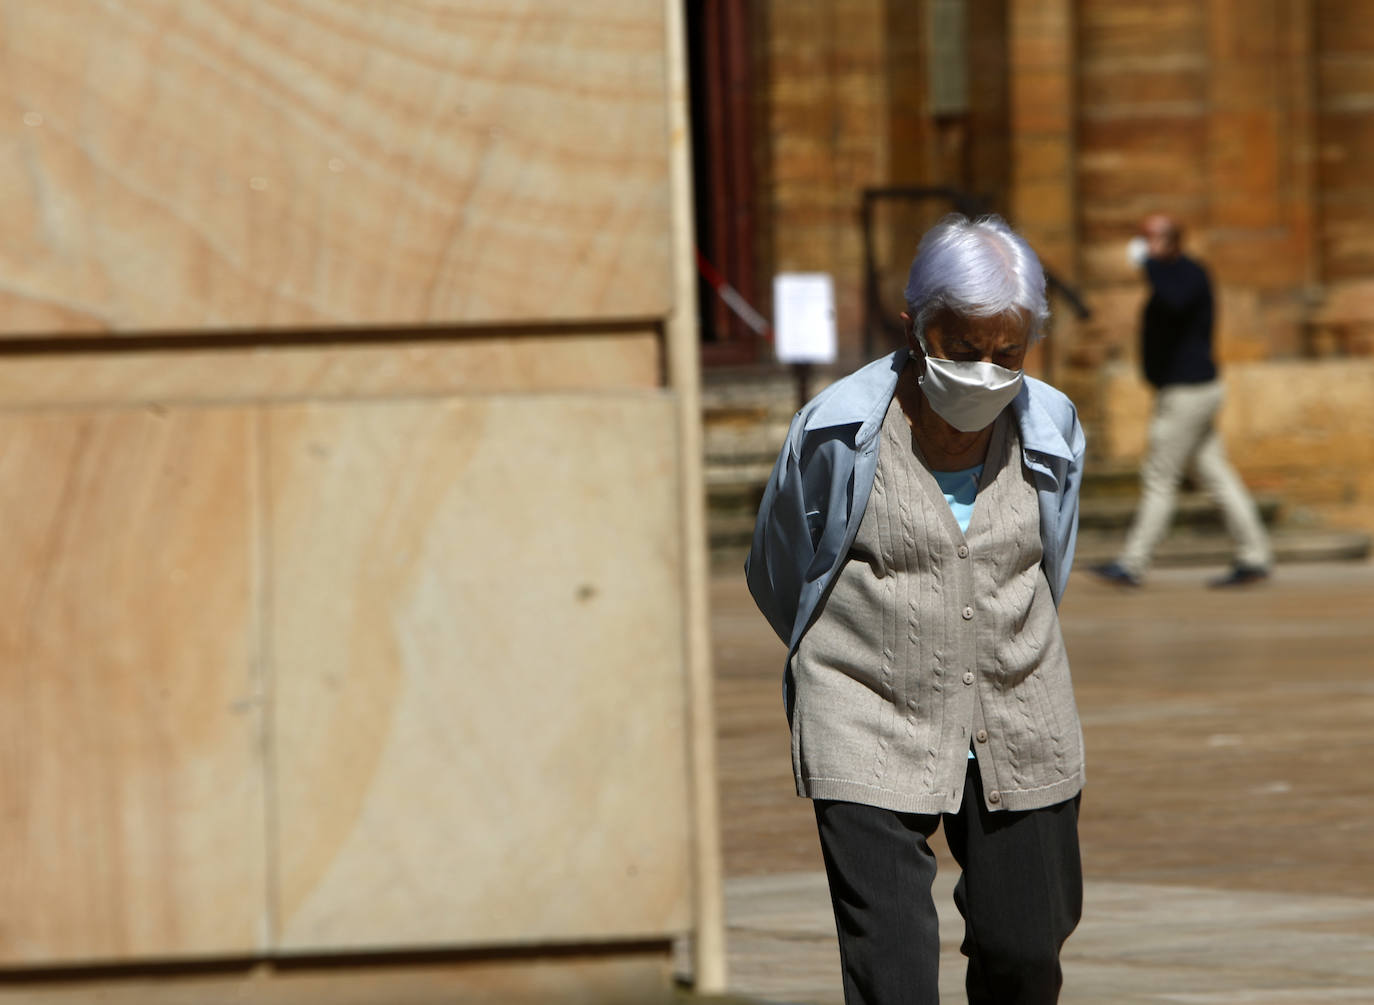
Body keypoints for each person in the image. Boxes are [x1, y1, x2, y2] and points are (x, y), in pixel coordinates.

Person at [747, 214, 1086, 1005]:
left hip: (1019, 708)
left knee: (1026, 950)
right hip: (865, 706)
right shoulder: (836, 431)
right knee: (892, 969)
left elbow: (1051, 561)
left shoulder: (1053, 428)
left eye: (1010, 353)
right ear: (916, 325)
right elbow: (778, 565)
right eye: (965, 349)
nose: (988, 370)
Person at [1093, 214, 1273, 588]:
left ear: (1171, 242)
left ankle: (1132, 563)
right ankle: (1255, 555)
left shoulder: (1187, 274)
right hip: (1189, 392)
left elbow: (1175, 303)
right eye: (1141, 238)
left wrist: (1147, 263)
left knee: (1160, 477)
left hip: (1189, 394)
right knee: (1215, 474)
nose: (1142, 245)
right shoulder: (1173, 274)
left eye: (1151, 239)